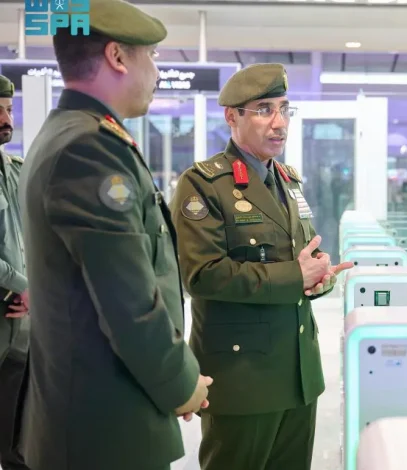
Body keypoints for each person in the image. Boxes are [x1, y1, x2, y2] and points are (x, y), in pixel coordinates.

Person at [17, 1, 211, 469]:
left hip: (92, 420)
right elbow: (129, 304)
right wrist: (181, 384)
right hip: (104, 431)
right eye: (153, 56)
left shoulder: (67, 134)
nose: (157, 72)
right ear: (118, 57)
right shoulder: (90, 148)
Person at [171, 63, 353, 470]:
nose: (279, 122)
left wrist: (319, 275)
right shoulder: (204, 184)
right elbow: (202, 275)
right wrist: (295, 276)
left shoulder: (288, 180)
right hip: (243, 377)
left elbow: (302, 256)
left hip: (299, 373)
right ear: (232, 116)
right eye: (264, 110)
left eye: (285, 109)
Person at [0, 74, 30, 470]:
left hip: (20, 327)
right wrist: (25, 286)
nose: (6, 119)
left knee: (19, 445)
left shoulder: (18, 170)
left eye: (8, 109)